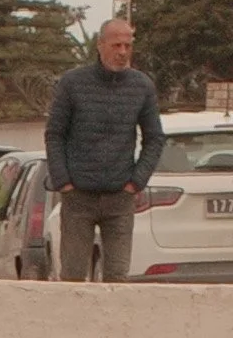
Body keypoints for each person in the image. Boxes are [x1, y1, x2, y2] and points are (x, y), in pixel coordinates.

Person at [45, 18, 165, 283]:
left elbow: (155, 138)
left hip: (120, 198)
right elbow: (54, 134)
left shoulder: (141, 86)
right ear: (100, 45)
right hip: (78, 197)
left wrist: (136, 182)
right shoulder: (73, 83)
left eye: (128, 45)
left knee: (117, 277)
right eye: (116, 45)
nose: (122, 52)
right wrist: (63, 181)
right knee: (73, 277)